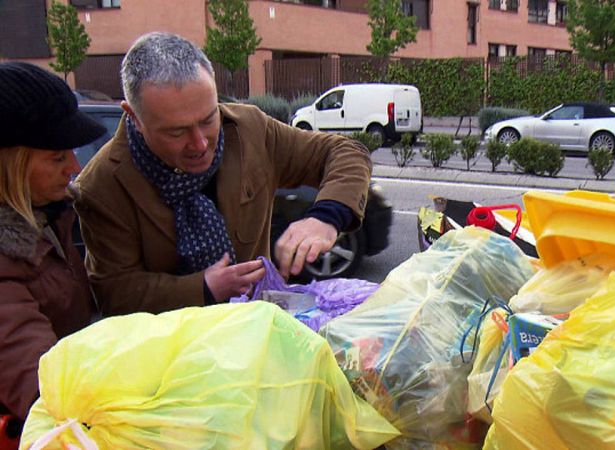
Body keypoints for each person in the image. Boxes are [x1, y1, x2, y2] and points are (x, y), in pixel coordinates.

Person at [74, 32, 372, 316]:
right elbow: (115, 293)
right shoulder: (100, 186)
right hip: (171, 357)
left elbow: (346, 153)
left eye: (208, 119)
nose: (200, 144)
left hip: (256, 338)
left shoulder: (251, 130)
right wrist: (203, 288)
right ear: (133, 116)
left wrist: (326, 217)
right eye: (176, 132)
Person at [0, 62, 106, 435]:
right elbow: (42, 384)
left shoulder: (49, 219)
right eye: (57, 157)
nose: (75, 167)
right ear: (9, 166)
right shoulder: (9, 253)